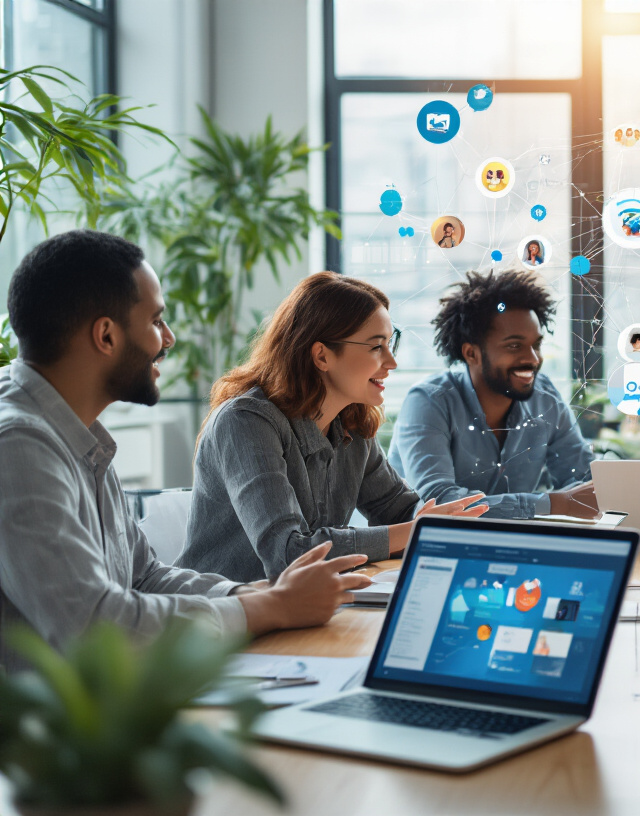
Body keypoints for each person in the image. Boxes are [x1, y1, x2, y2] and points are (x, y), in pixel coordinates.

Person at [0, 231, 371, 668]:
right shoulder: (19, 447)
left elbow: (144, 576)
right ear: (106, 336)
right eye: (156, 320)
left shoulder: (78, 434)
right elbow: (92, 628)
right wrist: (269, 608)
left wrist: (257, 593)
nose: (169, 338)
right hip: (71, 711)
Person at [177, 273, 486, 583]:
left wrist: (436, 523)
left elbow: (400, 509)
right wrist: (416, 530)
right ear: (322, 355)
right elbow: (289, 555)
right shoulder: (245, 421)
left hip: (307, 606)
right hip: (220, 609)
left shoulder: (352, 423)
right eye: (376, 347)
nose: (391, 362)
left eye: (391, 343)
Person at [388, 269, 596, 519]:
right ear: (471, 354)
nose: (533, 359)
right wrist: (555, 504)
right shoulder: (428, 402)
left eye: (536, 345)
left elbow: (584, 480)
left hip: (516, 541)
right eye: (514, 345)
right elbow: (439, 502)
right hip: (426, 542)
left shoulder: (545, 397)